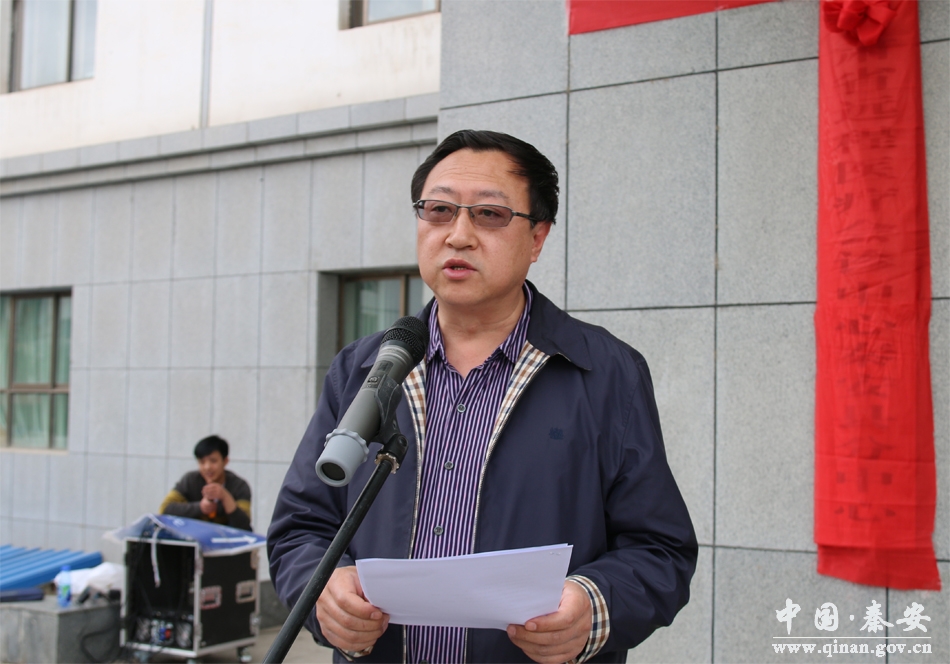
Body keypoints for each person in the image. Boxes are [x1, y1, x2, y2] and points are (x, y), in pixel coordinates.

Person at [267, 130, 697, 663]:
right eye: (439, 210)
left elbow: (660, 550)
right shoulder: (364, 368)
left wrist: (593, 606)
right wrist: (323, 592)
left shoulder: (607, 373)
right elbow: (299, 529)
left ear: (537, 237)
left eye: (489, 215)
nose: (458, 235)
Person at [160, 435, 252, 531]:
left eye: (213, 461)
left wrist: (225, 497)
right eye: (202, 462)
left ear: (225, 461)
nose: (207, 467)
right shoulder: (190, 480)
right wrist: (200, 507)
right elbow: (164, 509)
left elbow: (245, 526)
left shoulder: (239, 486)